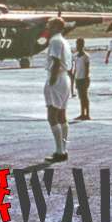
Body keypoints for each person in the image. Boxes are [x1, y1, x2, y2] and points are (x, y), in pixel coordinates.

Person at [44, 17, 72, 162]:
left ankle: (59, 151)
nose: (47, 28)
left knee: (52, 115)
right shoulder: (64, 40)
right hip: (65, 78)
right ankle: (63, 149)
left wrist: (52, 80)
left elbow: (55, 61)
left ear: (55, 26)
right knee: (62, 115)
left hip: (57, 77)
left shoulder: (55, 40)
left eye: (49, 25)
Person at [73, 38, 92, 120]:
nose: (78, 46)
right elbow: (75, 68)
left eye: (79, 44)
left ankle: (87, 114)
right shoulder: (75, 56)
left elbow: (87, 68)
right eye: (77, 44)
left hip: (84, 78)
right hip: (78, 78)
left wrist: (87, 78)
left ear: (82, 45)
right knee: (81, 97)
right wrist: (74, 78)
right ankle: (82, 113)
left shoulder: (86, 56)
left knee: (85, 97)